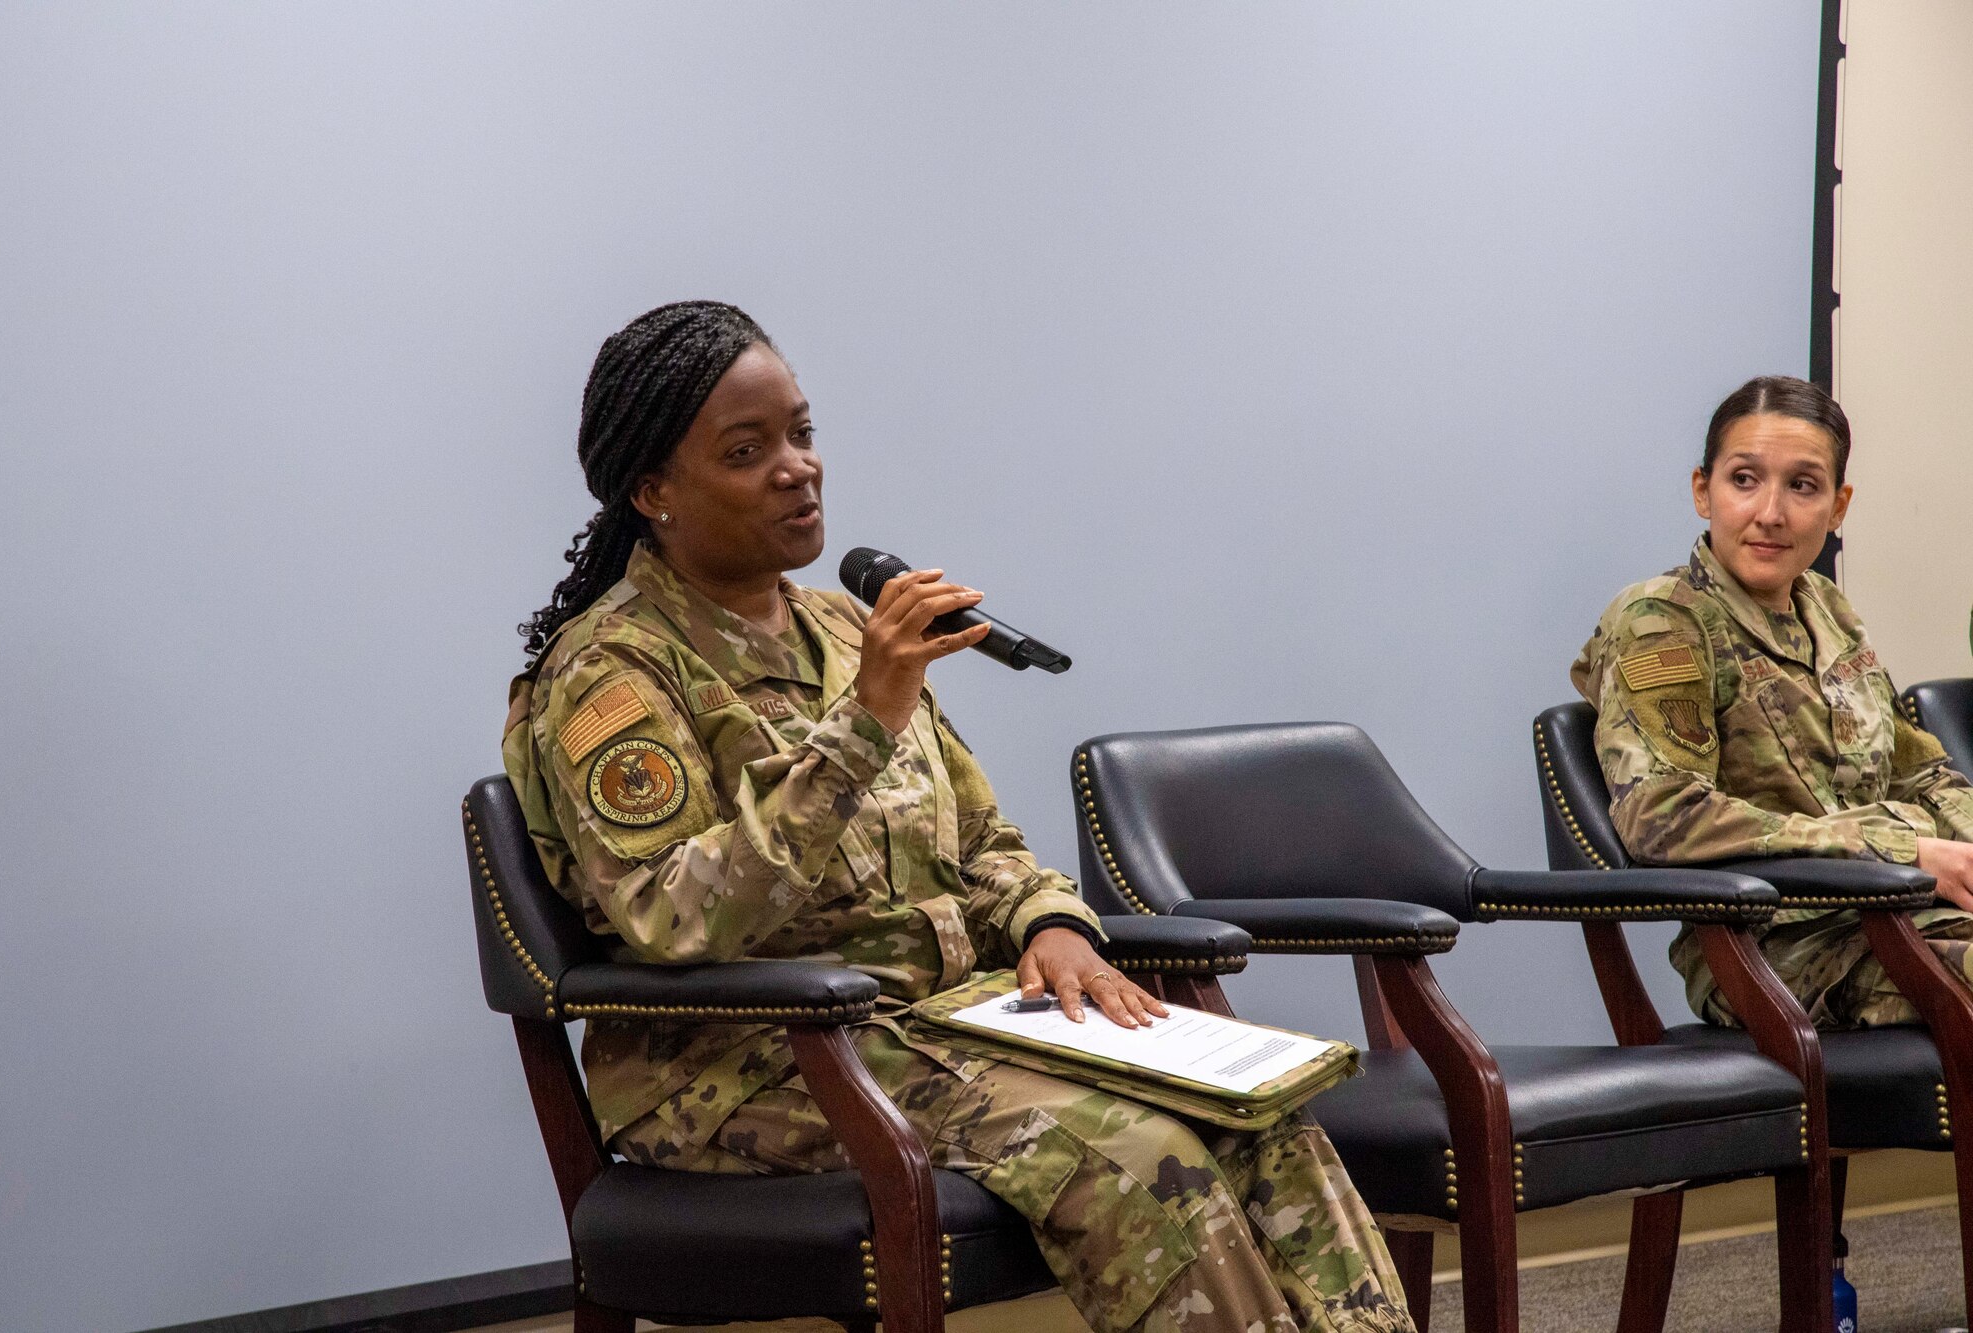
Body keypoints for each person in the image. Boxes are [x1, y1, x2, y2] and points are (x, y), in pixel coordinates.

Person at [504, 301, 1415, 1333]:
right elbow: (675, 918)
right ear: (652, 490)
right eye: (747, 451)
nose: (796, 469)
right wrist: (861, 723)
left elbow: (977, 843)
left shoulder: (847, 626)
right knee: (1140, 1157)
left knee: (1265, 1119)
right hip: (744, 1059)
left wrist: (1052, 927)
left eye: (801, 434)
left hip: (943, 1026)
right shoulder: (608, 674)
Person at [1573, 374, 1973, 1027]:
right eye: (1744, 479)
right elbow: (1662, 813)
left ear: (1838, 507)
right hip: (1768, 953)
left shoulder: (1828, 611)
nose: (1771, 513)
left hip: (1899, 917)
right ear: (1704, 490)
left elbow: (1920, 772)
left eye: (1803, 485)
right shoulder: (1660, 619)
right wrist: (1899, 849)